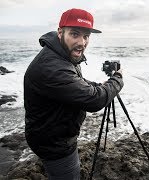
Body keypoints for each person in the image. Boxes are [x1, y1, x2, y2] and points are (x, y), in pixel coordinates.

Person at [23, 8, 124, 179]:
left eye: (86, 36)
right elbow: (95, 101)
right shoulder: (52, 66)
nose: (82, 42)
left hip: (52, 132)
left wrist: (98, 85)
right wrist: (118, 79)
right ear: (60, 32)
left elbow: (74, 82)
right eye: (75, 34)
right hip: (55, 144)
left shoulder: (63, 54)